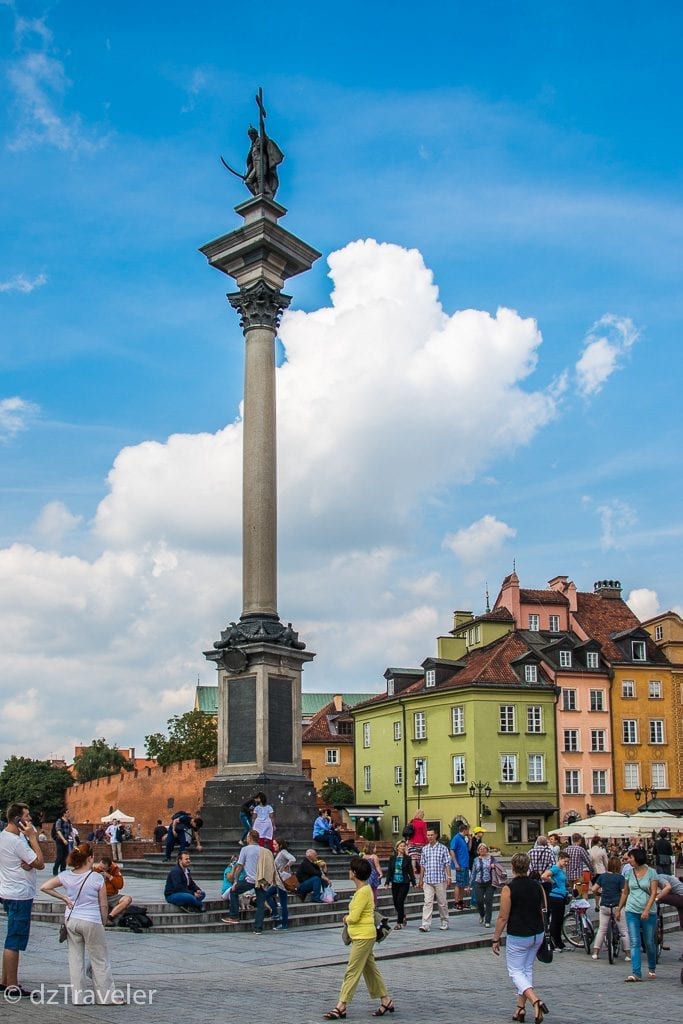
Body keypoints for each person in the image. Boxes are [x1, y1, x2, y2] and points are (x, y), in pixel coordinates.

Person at [40, 842, 124, 1005]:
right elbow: (104, 904)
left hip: (72, 920)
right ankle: (105, 997)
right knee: (99, 959)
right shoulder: (97, 877)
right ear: (90, 859)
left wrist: (64, 898)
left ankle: (79, 998)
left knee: (75, 958)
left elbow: (45, 887)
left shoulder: (65, 876)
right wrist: (103, 921)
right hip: (91, 920)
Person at [323, 856, 394, 1020]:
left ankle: (341, 1006)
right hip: (362, 935)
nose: (349, 871)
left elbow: (354, 917)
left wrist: (346, 918)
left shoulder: (363, 892)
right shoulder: (364, 889)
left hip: (363, 936)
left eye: (350, 869)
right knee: (370, 970)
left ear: (354, 873)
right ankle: (386, 1000)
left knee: (352, 971)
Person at [491, 852, 549, 1024]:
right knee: (526, 970)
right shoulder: (538, 886)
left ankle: (535, 1001)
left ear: (513, 868)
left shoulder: (509, 888)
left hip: (518, 934)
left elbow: (503, 916)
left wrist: (495, 938)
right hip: (536, 933)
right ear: (528, 866)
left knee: (515, 971)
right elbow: (544, 909)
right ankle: (520, 1008)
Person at [0, 801, 45, 998]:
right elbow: (40, 863)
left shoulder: (4, 837)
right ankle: (12, 985)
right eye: (27, 817)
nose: (30, 820)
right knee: (14, 941)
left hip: (8, 891)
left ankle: (4, 981)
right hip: (20, 894)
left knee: (11, 938)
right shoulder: (18, 841)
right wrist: (33, 838)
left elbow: (29, 862)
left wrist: (28, 862)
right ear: (17, 819)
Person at [617, 846, 659, 981]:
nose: (628, 860)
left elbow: (653, 893)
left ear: (637, 858)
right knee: (635, 941)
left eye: (630, 857)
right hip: (631, 910)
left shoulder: (652, 873)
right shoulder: (629, 873)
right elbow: (625, 892)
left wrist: (647, 910)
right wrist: (619, 908)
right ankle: (636, 973)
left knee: (649, 942)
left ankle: (652, 967)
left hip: (648, 911)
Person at [221, 829, 267, 929]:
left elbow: (239, 866)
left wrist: (236, 881)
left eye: (247, 836)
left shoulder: (245, 849)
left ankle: (234, 917)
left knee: (234, 892)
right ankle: (258, 928)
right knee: (260, 903)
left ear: (249, 838)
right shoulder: (263, 850)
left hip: (250, 880)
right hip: (261, 881)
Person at [591, 854, 630, 960]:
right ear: (618, 866)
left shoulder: (602, 876)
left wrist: (599, 894)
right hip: (617, 906)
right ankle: (627, 954)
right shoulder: (620, 878)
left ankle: (595, 952)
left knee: (602, 929)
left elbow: (594, 889)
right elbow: (623, 892)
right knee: (623, 930)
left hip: (604, 905)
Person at [419, 828, 451, 932]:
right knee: (427, 902)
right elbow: (422, 865)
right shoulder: (425, 849)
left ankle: (444, 921)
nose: (430, 837)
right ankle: (425, 924)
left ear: (436, 835)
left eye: (431, 835)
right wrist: (421, 879)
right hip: (428, 880)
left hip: (440, 879)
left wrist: (449, 877)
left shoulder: (443, 848)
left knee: (442, 902)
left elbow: (447, 864)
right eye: (428, 835)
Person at [266, 837, 296, 930]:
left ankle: (284, 924)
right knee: (266, 894)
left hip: (282, 882)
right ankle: (275, 913)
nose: (274, 846)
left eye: (275, 844)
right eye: (273, 844)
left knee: (283, 904)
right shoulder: (280, 853)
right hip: (278, 882)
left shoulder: (283, 852)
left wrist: (286, 866)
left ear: (280, 845)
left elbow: (293, 859)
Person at [541, 851, 569, 951]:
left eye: (567, 862)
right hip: (555, 897)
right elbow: (544, 876)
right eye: (565, 861)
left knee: (559, 921)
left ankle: (559, 943)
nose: (566, 863)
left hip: (561, 897)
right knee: (555, 921)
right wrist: (553, 883)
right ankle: (553, 944)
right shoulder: (556, 868)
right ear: (560, 859)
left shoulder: (561, 870)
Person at [385, 838, 416, 929]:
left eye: (404, 846)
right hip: (395, 882)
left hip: (404, 883)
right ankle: (402, 915)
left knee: (400, 901)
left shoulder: (407, 858)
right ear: (397, 848)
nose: (403, 847)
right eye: (401, 846)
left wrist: (413, 882)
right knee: (395, 902)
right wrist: (387, 882)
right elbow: (390, 871)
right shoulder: (392, 858)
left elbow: (410, 871)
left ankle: (399, 923)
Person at [94, 856, 133, 925]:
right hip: (98, 896)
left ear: (109, 867)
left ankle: (110, 917)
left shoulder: (114, 869)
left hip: (112, 896)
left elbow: (120, 885)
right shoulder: (95, 870)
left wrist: (109, 876)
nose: (101, 869)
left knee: (127, 899)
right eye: (100, 866)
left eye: (103, 868)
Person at [471, 842, 497, 927]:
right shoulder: (476, 860)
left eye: (484, 849)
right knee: (479, 901)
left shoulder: (492, 859)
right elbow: (474, 872)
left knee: (488, 901)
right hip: (478, 882)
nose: (482, 850)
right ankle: (482, 914)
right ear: (478, 851)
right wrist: (469, 884)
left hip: (490, 882)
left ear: (487, 850)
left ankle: (487, 921)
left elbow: (499, 868)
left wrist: (494, 866)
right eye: (480, 849)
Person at [450, 822, 470, 911]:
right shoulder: (457, 838)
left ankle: (461, 901)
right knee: (458, 884)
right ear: (465, 830)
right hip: (460, 864)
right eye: (468, 830)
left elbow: (468, 849)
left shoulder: (463, 838)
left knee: (463, 884)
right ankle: (456, 902)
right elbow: (452, 850)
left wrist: (470, 839)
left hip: (465, 864)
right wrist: (456, 863)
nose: (468, 832)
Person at [406, 808, 428, 877]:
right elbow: (424, 834)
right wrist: (427, 842)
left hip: (411, 842)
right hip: (420, 842)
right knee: (420, 857)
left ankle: (413, 870)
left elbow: (408, 832)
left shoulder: (411, 822)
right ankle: (423, 871)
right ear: (421, 815)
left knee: (413, 857)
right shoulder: (423, 823)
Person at [52, 809, 73, 875]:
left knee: (65, 855)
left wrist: (73, 839)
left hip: (66, 840)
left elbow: (70, 831)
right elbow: (58, 830)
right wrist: (63, 839)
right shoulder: (59, 820)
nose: (69, 813)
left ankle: (63, 869)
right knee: (60, 855)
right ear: (64, 814)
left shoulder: (68, 821)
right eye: (67, 812)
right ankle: (55, 869)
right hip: (60, 840)